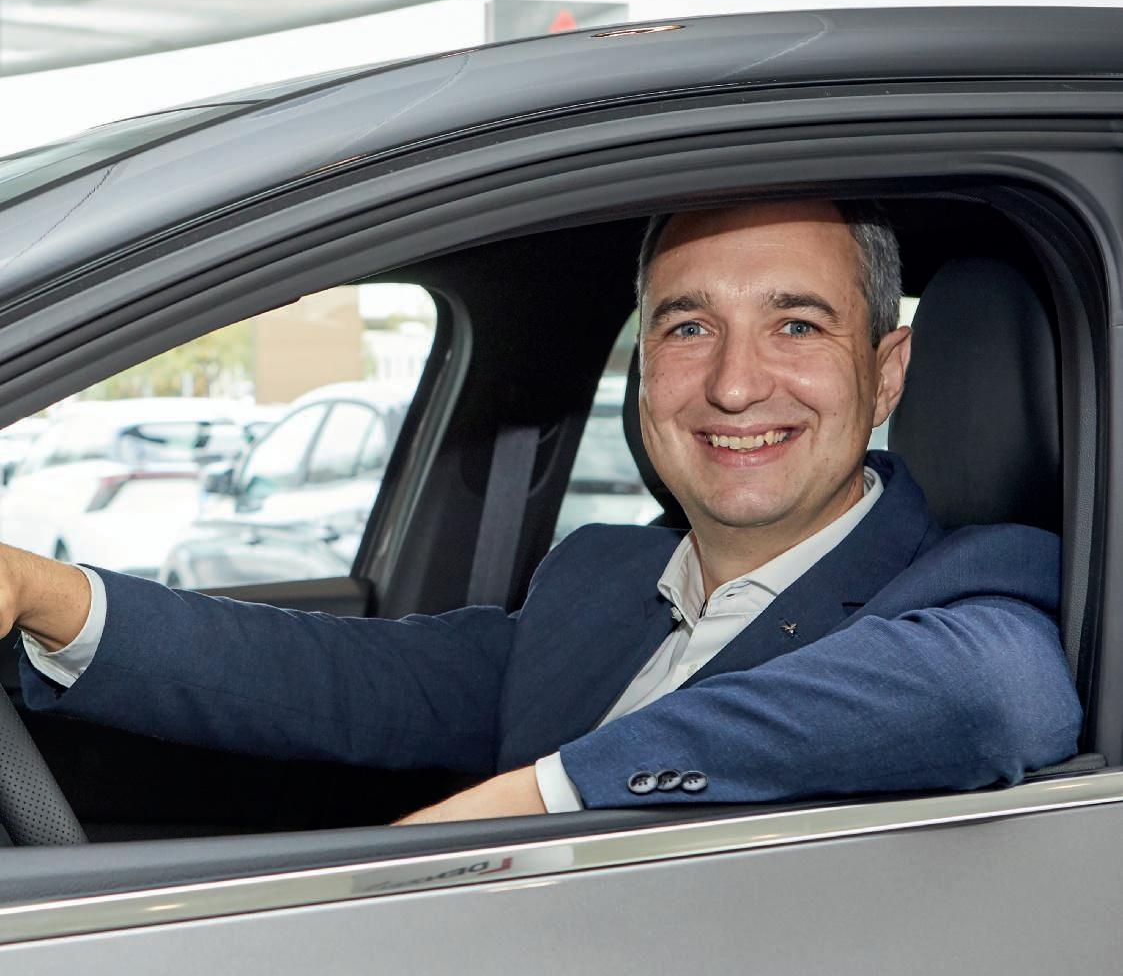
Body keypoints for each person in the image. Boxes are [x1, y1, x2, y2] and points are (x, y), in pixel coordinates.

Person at [0, 199, 1083, 823]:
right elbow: (341, 678)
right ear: (644, 368)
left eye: (795, 325)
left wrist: (536, 801)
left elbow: (988, 697)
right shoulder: (599, 577)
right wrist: (46, 592)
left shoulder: (973, 580)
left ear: (886, 372)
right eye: (688, 327)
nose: (734, 383)